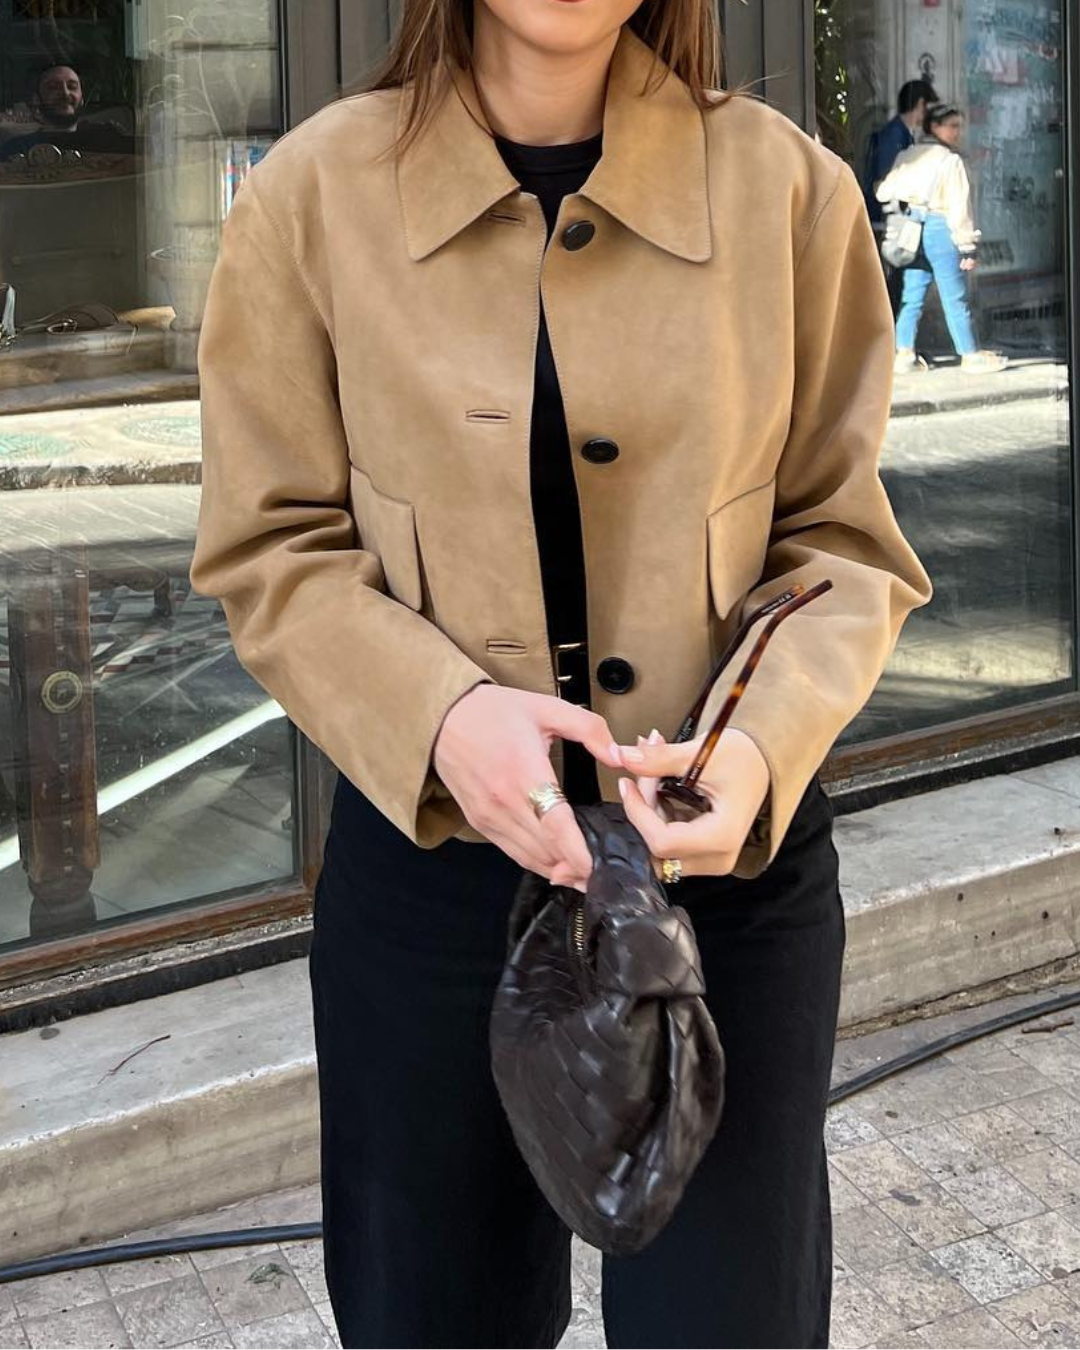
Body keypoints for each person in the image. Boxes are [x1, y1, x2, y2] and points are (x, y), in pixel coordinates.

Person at [190, 1, 933, 1346]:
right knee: (431, 1314)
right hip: (429, 880)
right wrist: (444, 716)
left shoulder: (787, 194)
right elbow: (270, 542)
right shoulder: (313, 196)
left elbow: (842, 543)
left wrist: (755, 751)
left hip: (728, 884)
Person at [876, 101, 1008, 374]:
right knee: (954, 296)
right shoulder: (951, 161)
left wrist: (911, 199)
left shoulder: (908, 155)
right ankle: (970, 356)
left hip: (912, 228)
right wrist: (967, 247)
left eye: (959, 126)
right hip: (940, 227)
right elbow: (959, 209)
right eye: (952, 126)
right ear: (935, 127)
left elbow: (883, 192)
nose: (957, 131)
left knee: (912, 296)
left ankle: (904, 354)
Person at [0, 63, 134, 161]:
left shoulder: (105, 139)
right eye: (53, 88)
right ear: (36, 101)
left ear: (82, 99)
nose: (65, 93)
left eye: (72, 87)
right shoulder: (16, 149)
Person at [862, 77, 938, 229]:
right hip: (886, 216)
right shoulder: (894, 135)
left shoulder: (902, 132)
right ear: (921, 104)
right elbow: (886, 175)